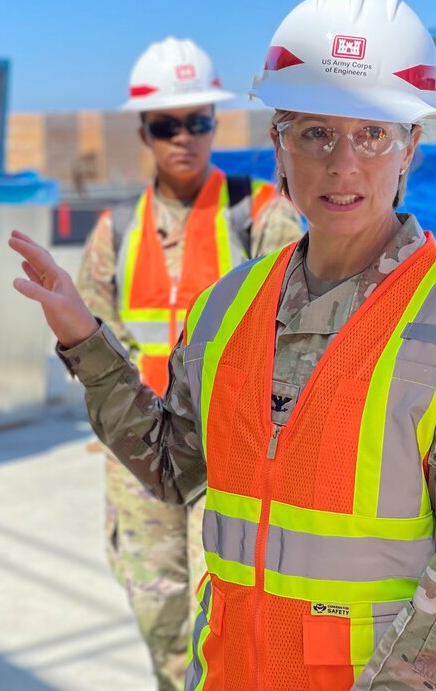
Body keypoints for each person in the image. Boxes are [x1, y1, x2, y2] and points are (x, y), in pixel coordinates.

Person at [11, 0, 436, 690]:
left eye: (372, 134)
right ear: (278, 144)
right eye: (315, 133)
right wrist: (89, 343)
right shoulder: (226, 310)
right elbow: (172, 469)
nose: (343, 164)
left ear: (411, 147)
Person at [78, 37, 302, 690]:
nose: (185, 137)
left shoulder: (263, 218)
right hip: (141, 459)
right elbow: (94, 339)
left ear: (215, 122)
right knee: (160, 615)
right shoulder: (116, 233)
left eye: (198, 121)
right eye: (167, 125)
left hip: (230, 458)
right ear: (145, 131)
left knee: (229, 618)